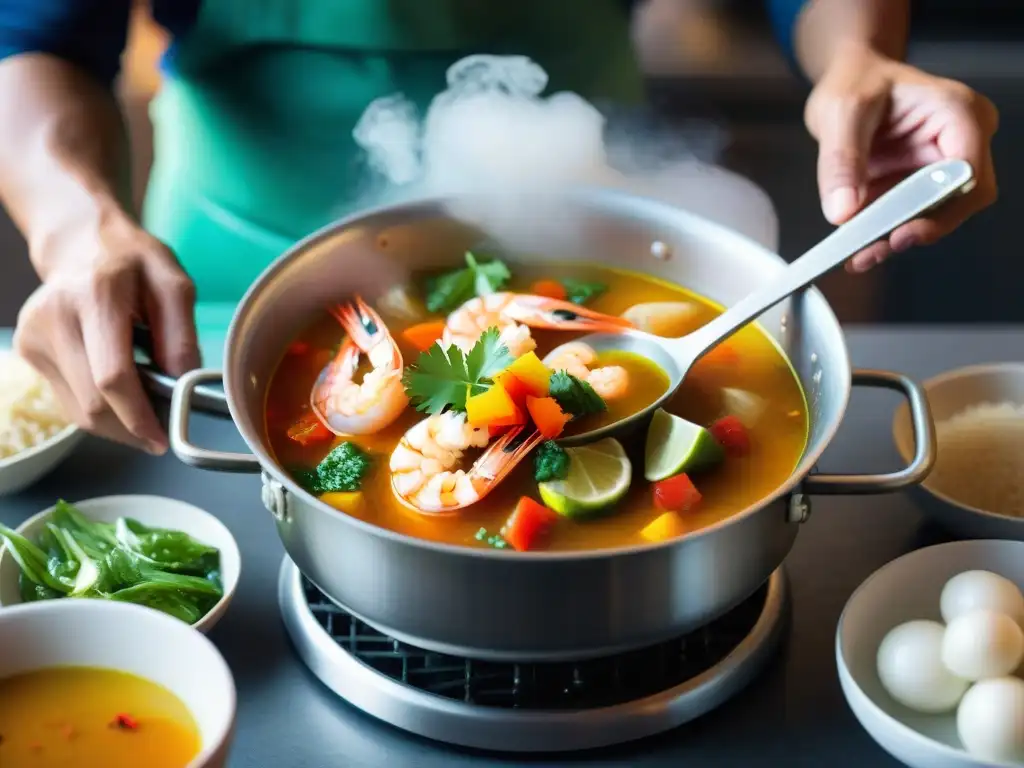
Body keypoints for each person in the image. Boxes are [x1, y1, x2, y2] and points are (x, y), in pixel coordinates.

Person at [0, 0, 998, 456]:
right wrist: (76, 225)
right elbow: (33, 35)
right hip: (225, 269)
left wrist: (857, 56)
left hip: (581, 193)